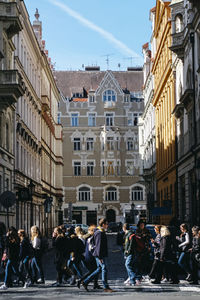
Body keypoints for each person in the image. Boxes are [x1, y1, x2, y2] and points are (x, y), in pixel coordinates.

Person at [80, 218, 114, 292]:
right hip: (100, 255)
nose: (107, 225)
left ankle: (85, 282)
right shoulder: (99, 233)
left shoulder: (99, 231)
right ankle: (106, 287)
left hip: (100, 254)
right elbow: (98, 245)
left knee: (99, 269)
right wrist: (100, 257)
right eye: (107, 224)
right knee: (104, 269)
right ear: (103, 224)